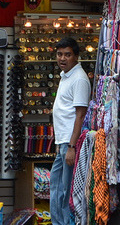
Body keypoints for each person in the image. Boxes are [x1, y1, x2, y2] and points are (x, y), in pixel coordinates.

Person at [50, 37, 90, 225]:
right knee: (56, 186)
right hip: (63, 142)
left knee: (66, 190)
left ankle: (66, 223)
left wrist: (72, 147)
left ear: (76, 56)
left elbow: (80, 115)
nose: (62, 58)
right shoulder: (66, 76)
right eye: (59, 54)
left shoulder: (79, 79)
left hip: (70, 143)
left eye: (67, 55)